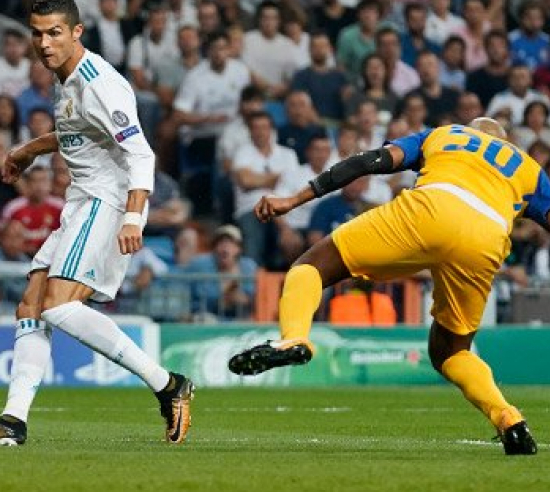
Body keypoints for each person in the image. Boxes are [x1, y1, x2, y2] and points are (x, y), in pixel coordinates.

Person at [0, 0, 194, 447]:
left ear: (77, 32)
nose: (44, 43)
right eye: (37, 33)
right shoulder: (67, 81)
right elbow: (74, 131)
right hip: (81, 201)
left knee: (59, 306)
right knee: (31, 307)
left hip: (107, 201)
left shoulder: (100, 82)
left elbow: (141, 152)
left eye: (54, 33)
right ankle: (12, 421)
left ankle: (167, 384)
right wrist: (27, 150)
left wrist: (134, 219)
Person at [229, 117, 549, 455]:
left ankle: (293, 338)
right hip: (486, 238)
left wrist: (294, 199)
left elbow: (370, 161)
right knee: (451, 351)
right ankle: (508, 419)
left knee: (310, 266)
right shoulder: (528, 168)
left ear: (471, 130)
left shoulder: (446, 134)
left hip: (429, 210)